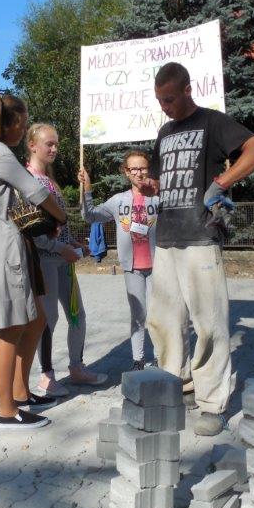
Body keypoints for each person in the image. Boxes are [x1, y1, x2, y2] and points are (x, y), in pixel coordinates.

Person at [139, 62, 254, 436]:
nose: (164, 106)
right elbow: (171, 179)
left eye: (169, 99)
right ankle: (177, 386)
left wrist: (222, 182)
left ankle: (212, 403)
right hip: (167, 238)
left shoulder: (213, 122)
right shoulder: (165, 131)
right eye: (159, 100)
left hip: (201, 237)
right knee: (163, 321)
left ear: (186, 90)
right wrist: (156, 187)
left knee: (209, 323)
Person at [0, 91, 68, 430]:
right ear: (7, 124)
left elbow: (5, 204)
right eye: (21, 127)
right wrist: (60, 219)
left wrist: (41, 224)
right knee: (11, 328)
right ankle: (6, 411)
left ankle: (21, 393)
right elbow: (38, 193)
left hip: (5, 243)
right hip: (2, 249)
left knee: (34, 318)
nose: (23, 134)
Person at [25, 123, 108, 397]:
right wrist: (60, 249)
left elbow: (58, 223)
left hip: (64, 261)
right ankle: (46, 377)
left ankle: (77, 367)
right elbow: (33, 232)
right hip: (44, 263)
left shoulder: (49, 180)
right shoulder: (27, 181)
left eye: (56, 143)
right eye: (49, 143)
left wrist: (72, 242)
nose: (55, 149)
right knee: (48, 319)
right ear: (32, 145)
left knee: (77, 315)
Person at [78, 150, 160, 371]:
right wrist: (86, 189)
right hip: (132, 268)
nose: (139, 173)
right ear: (126, 172)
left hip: (159, 266)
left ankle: (162, 357)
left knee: (159, 315)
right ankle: (138, 360)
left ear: (148, 169)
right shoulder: (118, 201)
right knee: (138, 315)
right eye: (134, 169)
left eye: (143, 168)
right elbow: (90, 215)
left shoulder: (158, 197)